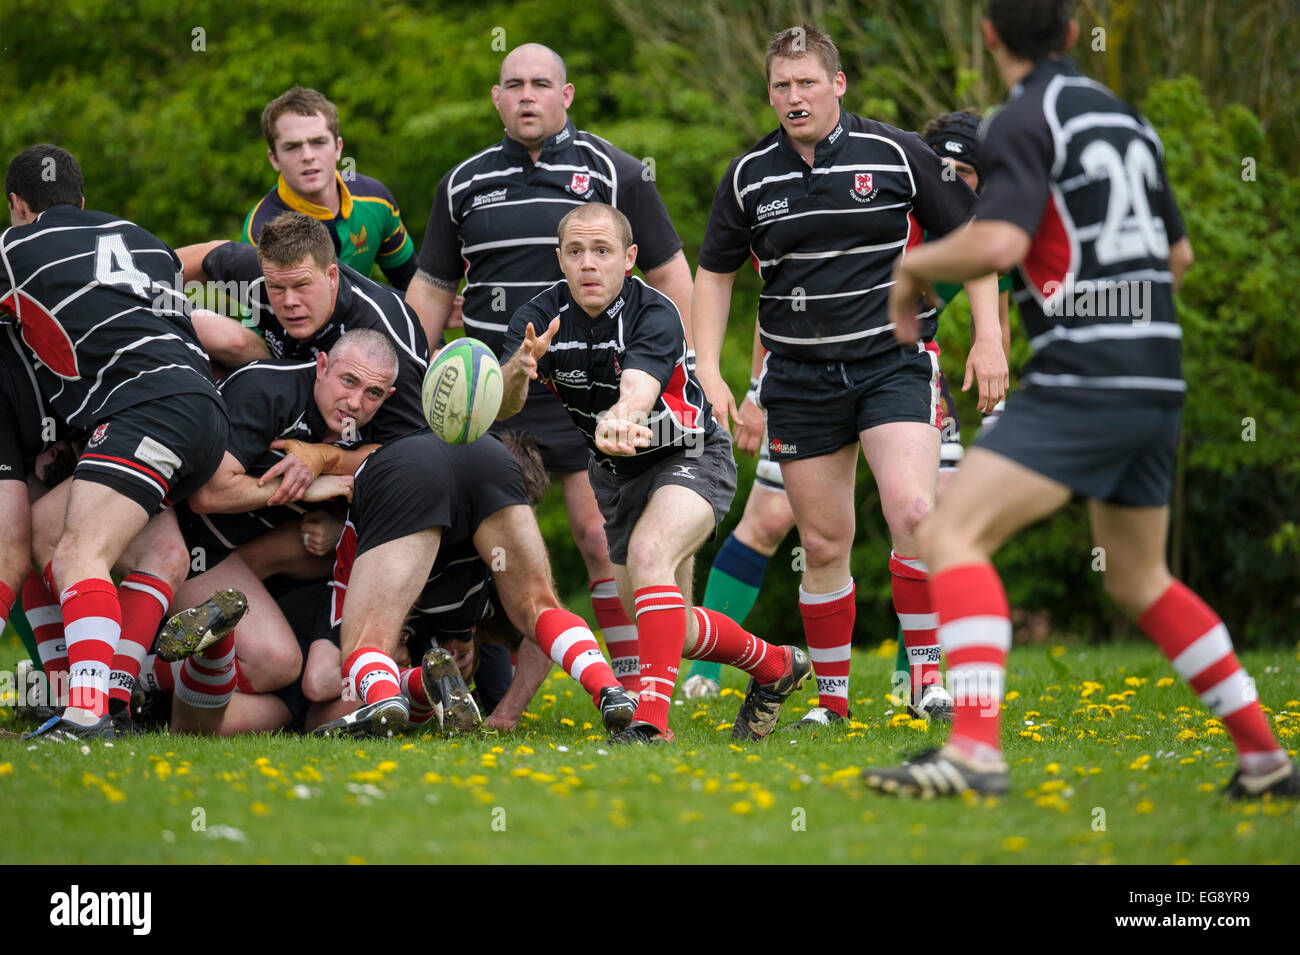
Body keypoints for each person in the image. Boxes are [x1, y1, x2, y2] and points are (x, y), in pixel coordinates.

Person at [863, 0, 1298, 799]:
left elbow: (998, 243)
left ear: (990, 36)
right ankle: (1266, 759)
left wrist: (915, 271)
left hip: (1086, 376)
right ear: (1070, 34)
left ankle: (974, 750)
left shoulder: (1022, 120)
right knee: (1139, 579)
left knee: (951, 532)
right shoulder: (1126, 119)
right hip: (1156, 376)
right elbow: (1179, 254)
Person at [692, 26, 1008, 733]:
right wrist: (709, 371)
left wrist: (988, 336)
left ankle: (926, 679)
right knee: (826, 541)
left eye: (807, 82)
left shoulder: (896, 151)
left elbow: (973, 243)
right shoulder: (749, 176)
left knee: (916, 513)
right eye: (781, 85)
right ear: (769, 93)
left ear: (837, 84)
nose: (794, 96)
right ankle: (831, 702)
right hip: (799, 378)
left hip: (893, 362)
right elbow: (713, 277)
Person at [405, 43, 696, 693]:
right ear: (497, 98)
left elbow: (672, 272)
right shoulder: (463, 182)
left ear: (566, 95)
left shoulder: (616, 170)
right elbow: (430, 286)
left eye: (542, 84)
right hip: (496, 391)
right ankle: (466, 676)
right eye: (514, 85)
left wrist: (686, 364)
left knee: (601, 536)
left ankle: (633, 674)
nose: (527, 95)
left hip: (600, 384)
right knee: (488, 541)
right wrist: (413, 374)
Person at [500, 202, 811, 743]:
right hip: (617, 481)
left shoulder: (656, 310)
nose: (589, 264)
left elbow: (638, 388)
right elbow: (503, 406)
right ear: (560, 259)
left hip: (689, 455)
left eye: (602, 251)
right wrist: (518, 370)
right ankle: (776, 666)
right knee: (670, 622)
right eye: (576, 252)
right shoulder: (538, 320)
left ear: (630, 258)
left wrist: (621, 420)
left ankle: (651, 724)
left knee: (650, 558)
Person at [0, 144, 229, 740]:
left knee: (80, 552)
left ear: (17, 205)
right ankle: (112, 702)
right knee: (46, 531)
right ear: (83, 200)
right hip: (203, 409)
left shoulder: (15, 245)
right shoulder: (145, 240)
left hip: (144, 405)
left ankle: (86, 714)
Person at [312, 427, 639, 739]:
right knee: (539, 607)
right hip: (488, 456)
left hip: (405, 470)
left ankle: (386, 697)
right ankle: (609, 689)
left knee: (366, 639)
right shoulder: (479, 572)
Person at [178, 211, 429, 445]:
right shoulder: (263, 272)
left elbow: (406, 449)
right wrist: (141, 290)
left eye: (302, 286)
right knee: (201, 323)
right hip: (290, 390)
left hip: (357, 439)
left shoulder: (385, 338)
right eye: (276, 288)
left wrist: (322, 458)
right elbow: (206, 255)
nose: (289, 302)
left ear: (331, 276)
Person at [244, 86, 417, 290]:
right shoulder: (259, 231)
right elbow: (267, 318)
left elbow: (411, 282)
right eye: (292, 147)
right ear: (274, 159)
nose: (308, 156)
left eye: (318, 142)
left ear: (338, 148)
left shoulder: (376, 199)